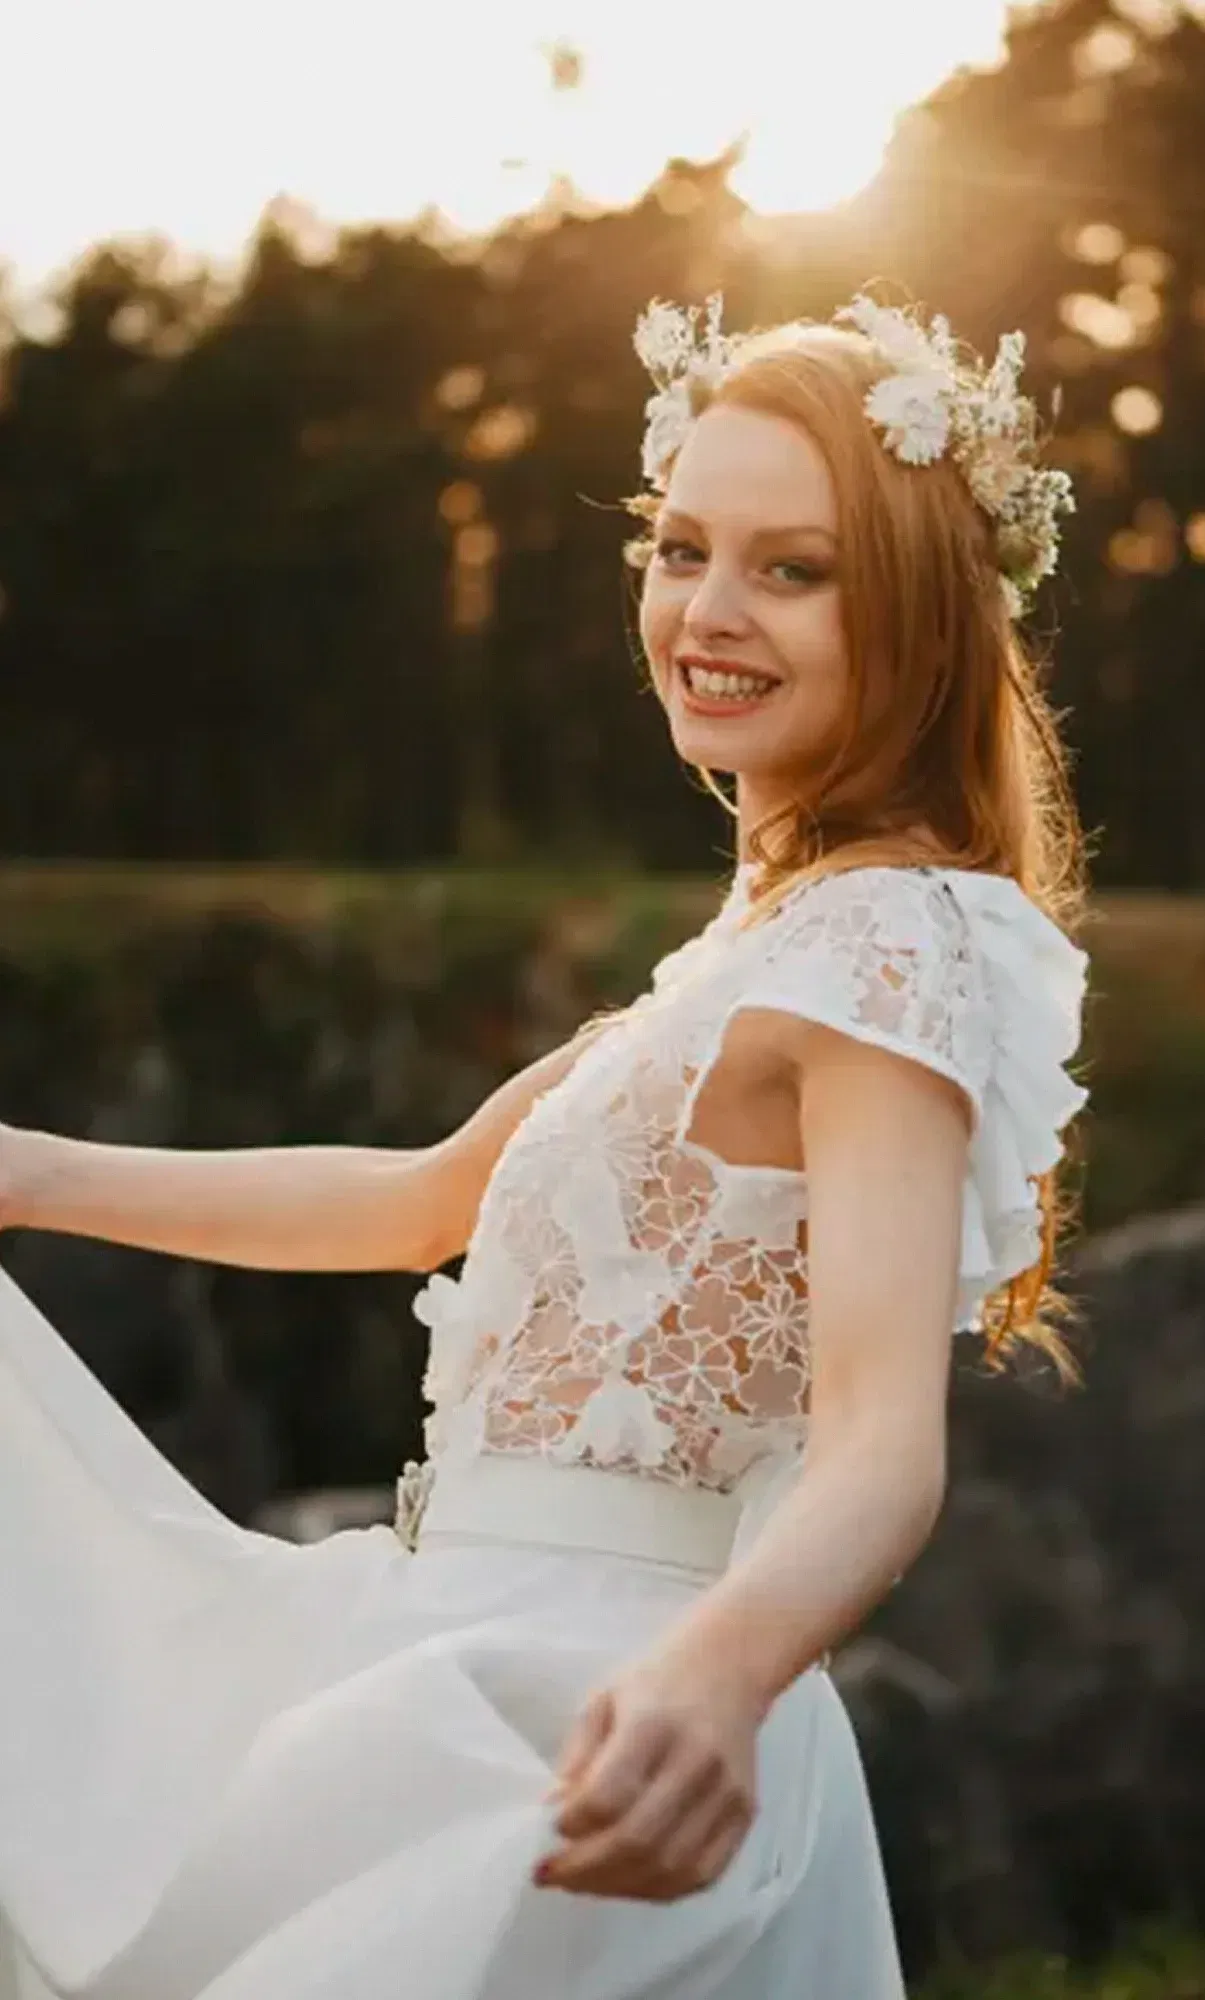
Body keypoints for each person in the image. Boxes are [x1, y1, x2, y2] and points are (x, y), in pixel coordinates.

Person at [0, 290, 1088, 2000]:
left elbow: (883, 1440)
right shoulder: (749, 951)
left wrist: (716, 1679)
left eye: (791, 570)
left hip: (602, 1705)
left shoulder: (890, 948)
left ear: (920, 621)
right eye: (681, 549)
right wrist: (28, 1173)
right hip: (460, 1650)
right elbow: (422, 1198)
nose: (707, 613)